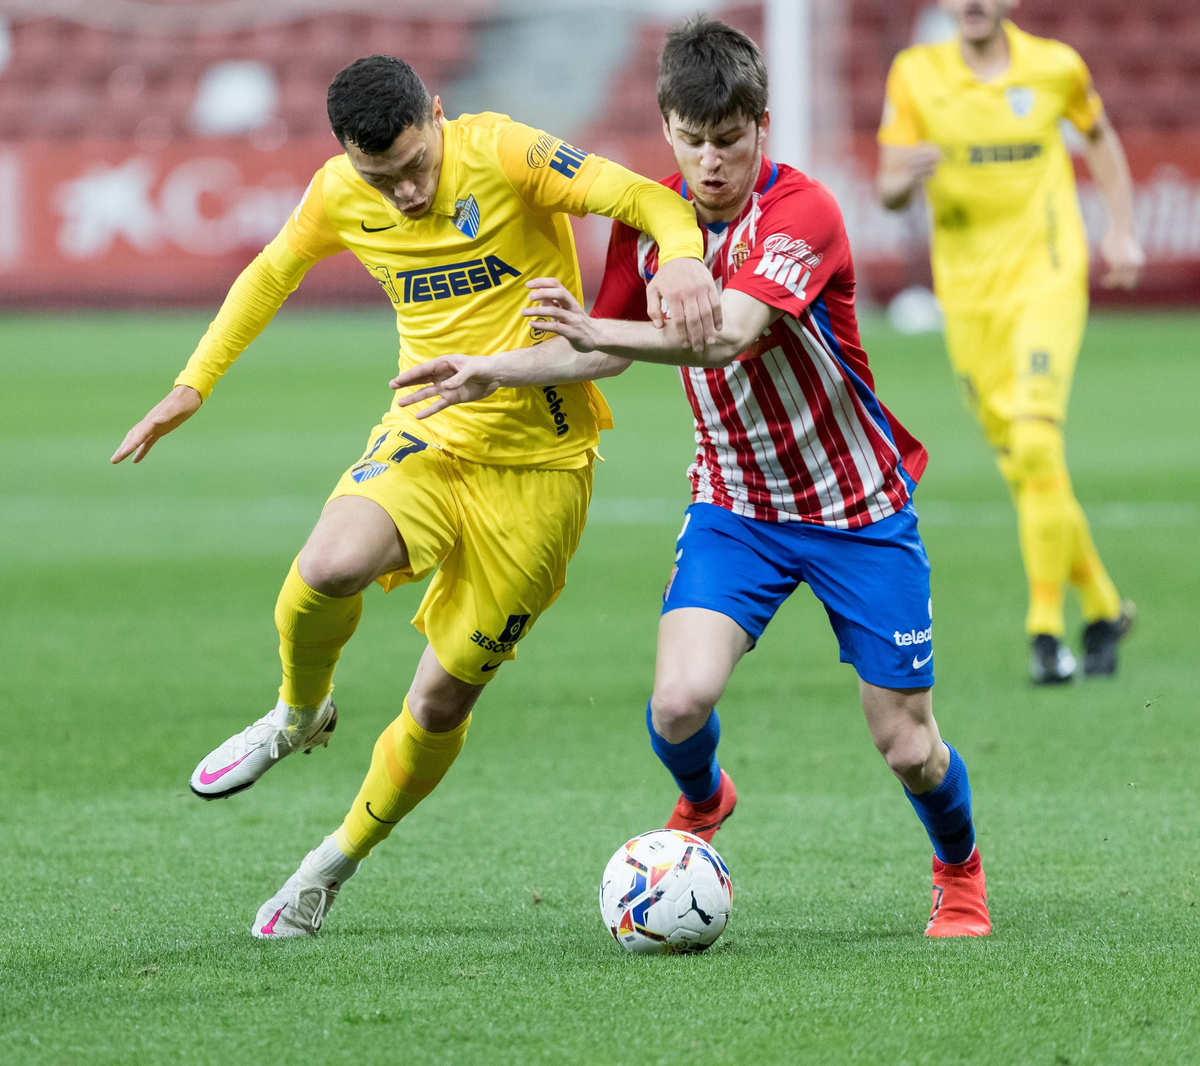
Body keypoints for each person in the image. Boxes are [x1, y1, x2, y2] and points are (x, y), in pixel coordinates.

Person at [395, 17, 990, 937]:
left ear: (762, 125)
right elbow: (600, 356)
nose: (712, 162)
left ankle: (960, 873)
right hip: (736, 506)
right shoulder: (649, 225)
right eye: (693, 140)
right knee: (677, 704)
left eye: (731, 140)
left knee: (907, 744)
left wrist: (598, 333)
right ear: (668, 129)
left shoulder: (805, 214)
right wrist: (493, 367)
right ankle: (705, 800)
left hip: (856, 507)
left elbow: (729, 334)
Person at [113, 55, 720, 938]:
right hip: (428, 434)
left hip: (543, 472)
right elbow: (270, 274)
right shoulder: (337, 194)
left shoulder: (506, 152)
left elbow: (648, 199)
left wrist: (686, 258)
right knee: (327, 565)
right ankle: (297, 712)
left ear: (437, 115)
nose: (403, 192)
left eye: (415, 166)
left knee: (438, 704)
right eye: (380, 177)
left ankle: (332, 863)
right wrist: (192, 384)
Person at [877, 0, 1139, 684]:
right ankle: (1106, 606)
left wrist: (1121, 227)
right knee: (1027, 464)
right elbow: (886, 187)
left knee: (1035, 440)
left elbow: (1101, 135)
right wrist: (905, 180)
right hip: (967, 300)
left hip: (1047, 279)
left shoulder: (1054, 68)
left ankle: (1046, 631)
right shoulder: (916, 74)